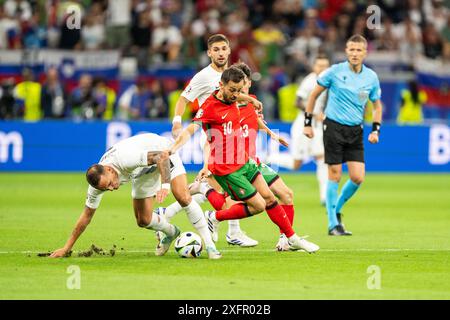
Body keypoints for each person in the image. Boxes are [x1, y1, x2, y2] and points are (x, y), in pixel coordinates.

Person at [169, 67, 320, 253]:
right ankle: (214, 217)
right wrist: (175, 147)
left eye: (239, 90)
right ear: (221, 85)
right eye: (232, 90)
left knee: (271, 198)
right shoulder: (209, 107)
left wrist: (249, 99)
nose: (235, 95)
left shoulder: (235, 96)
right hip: (226, 168)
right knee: (258, 206)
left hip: (245, 161)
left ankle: (292, 238)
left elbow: (238, 97)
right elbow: (191, 129)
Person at [50, 133, 221, 259]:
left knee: (181, 196)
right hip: (142, 171)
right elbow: (86, 216)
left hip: (164, 152)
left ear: (109, 169)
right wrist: (67, 247)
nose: (111, 189)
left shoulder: (124, 158)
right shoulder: (97, 184)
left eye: (110, 184)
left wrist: (165, 185)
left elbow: (161, 157)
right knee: (143, 220)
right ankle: (171, 232)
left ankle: (210, 246)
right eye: (106, 188)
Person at [171, 34, 261, 247]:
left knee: (224, 191)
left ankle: (165, 213)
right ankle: (233, 233)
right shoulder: (204, 76)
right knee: (226, 191)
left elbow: (235, 96)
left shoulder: (234, 74)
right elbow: (184, 98)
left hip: (233, 137)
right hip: (214, 140)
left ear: (229, 50)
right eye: (216, 50)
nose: (220, 53)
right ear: (209, 53)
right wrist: (177, 121)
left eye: (224, 49)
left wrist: (249, 101)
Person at [303, 34, 383, 236]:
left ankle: (337, 210)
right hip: (334, 127)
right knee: (335, 175)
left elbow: (377, 105)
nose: (355, 53)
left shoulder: (371, 77)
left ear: (365, 53)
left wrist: (375, 130)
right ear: (346, 51)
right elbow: (313, 95)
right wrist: (308, 123)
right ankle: (332, 224)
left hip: (356, 130)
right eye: (352, 49)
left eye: (359, 50)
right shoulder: (334, 72)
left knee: (357, 177)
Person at [273, 55, 330, 206]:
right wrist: (313, 113)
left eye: (325, 66)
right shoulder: (310, 81)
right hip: (302, 125)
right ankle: (271, 158)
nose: (322, 69)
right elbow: (297, 102)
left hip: (317, 127)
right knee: (296, 164)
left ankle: (325, 196)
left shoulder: (330, 81)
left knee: (322, 158)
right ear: (314, 67)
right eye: (319, 66)